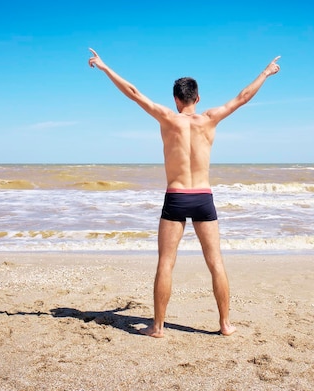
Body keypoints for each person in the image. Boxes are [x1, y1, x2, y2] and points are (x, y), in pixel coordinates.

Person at [88, 48, 281, 338]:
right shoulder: (210, 118)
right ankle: (225, 324)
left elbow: (133, 91)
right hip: (203, 197)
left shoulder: (167, 118)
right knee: (215, 262)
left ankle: (158, 327)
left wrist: (105, 67)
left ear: (176, 99)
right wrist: (265, 73)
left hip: (176, 197)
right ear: (198, 98)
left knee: (166, 263)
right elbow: (243, 97)